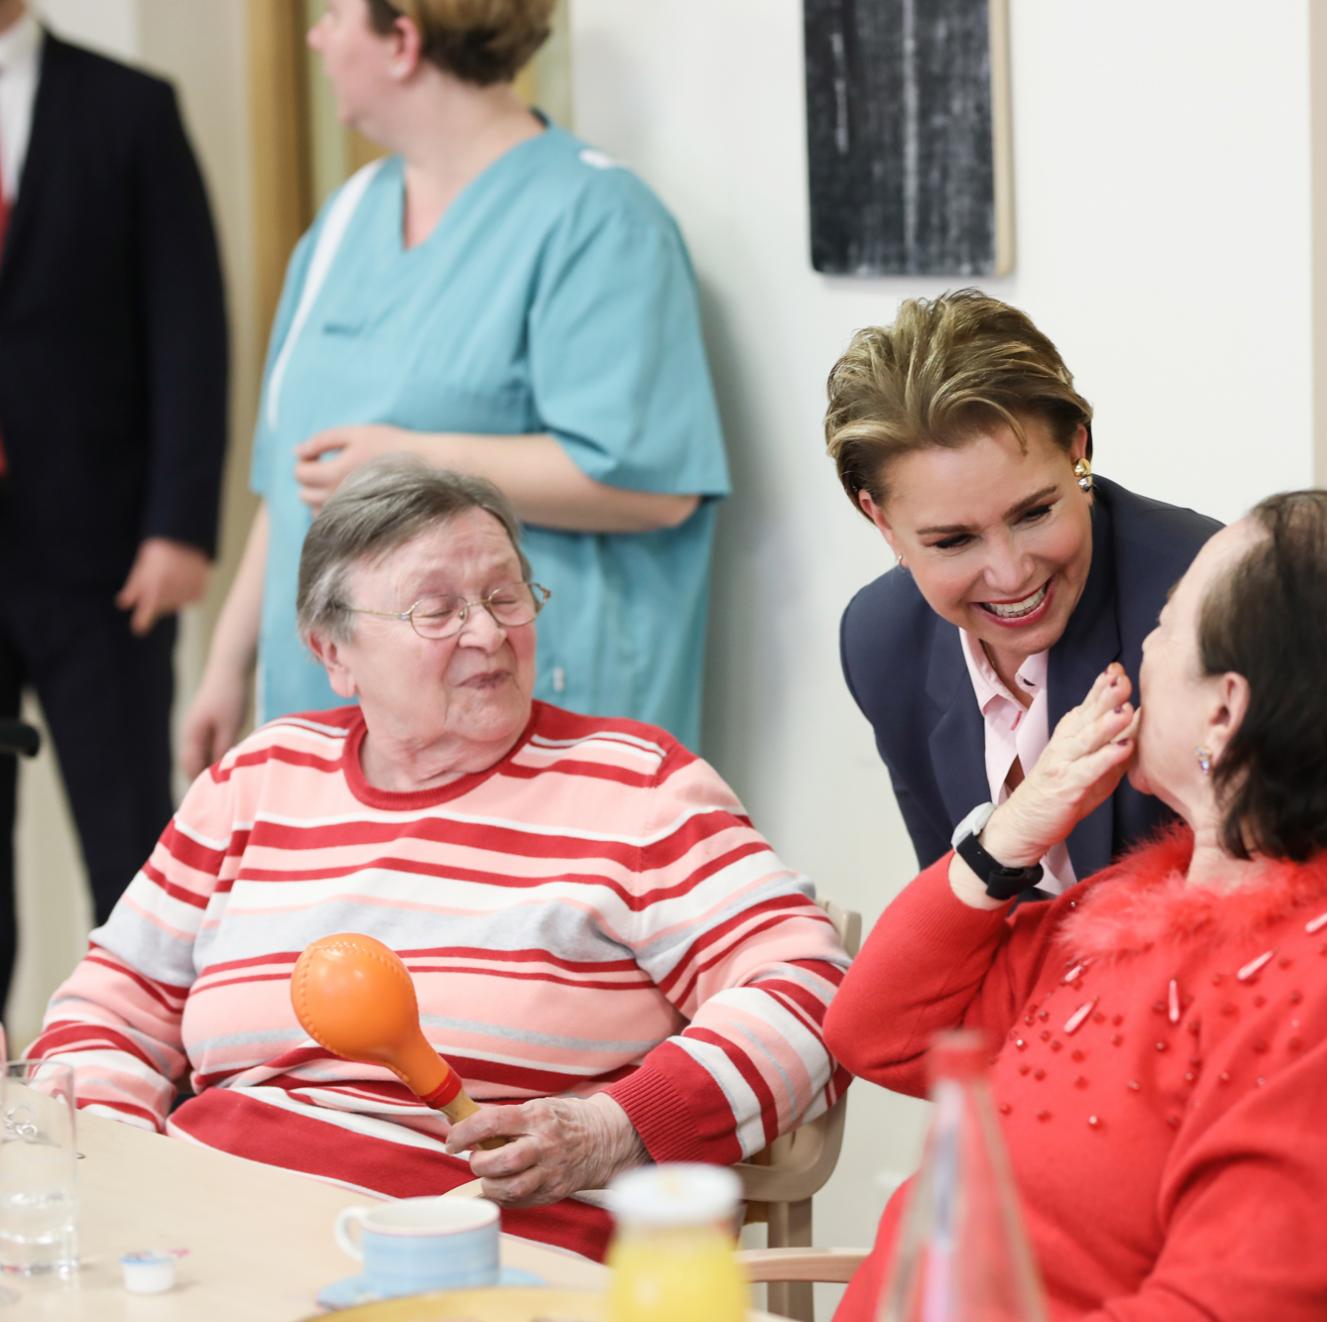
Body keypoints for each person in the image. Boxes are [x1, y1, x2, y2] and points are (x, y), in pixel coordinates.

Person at [828, 290, 1327, 1143]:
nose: (1009, 572)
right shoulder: (882, 642)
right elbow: (966, 924)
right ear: (881, 521)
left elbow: (1302, 920)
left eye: (1035, 511)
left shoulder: (1196, 614)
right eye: (952, 541)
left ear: (1079, 451)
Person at [28, 461, 848, 1259]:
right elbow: (111, 1007)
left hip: (492, 1243)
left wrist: (613, 1130)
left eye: (504, 595)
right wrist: (121, 1179)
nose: (489, 632)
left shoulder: (636, 788)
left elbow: (813, 992)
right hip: (217, 1225)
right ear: (333, 652)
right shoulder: (259, 778)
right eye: (438, 610)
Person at [828, 491, 1327, 1318]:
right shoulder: (1147, 895)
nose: (1143, 647)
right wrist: (1009, 836)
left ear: (1223, 710)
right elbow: (874, 1034)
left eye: (1168, 626)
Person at [181, 0, 728, 777]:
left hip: (512, 727)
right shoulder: (344, 221)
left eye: (334, 14)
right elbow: (292, 481)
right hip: (329, 718)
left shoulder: (601, 221)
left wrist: (412, 457)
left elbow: (651, 486)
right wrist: (227, 669)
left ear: (401, 40)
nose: (316, 37)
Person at [0, 1, 228, 1022]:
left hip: (107, 557)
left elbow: (190, 326)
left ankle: (160, 1085)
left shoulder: (130, 108)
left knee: (134, 847)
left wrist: (180, 522)